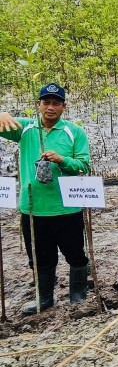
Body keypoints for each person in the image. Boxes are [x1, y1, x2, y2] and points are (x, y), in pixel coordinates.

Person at [0, 84, 91, 314]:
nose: (51, 107)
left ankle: (78, 295)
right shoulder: (26, 128)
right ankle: (45, 298)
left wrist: (62, 160)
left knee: (75, 254)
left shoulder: (74, 132)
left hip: (66, 207)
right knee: (40, 258)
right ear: (38, 105)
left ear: (64, 106)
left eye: (56, 103)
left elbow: (84, 165)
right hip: (32, 208)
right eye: (46, 103)